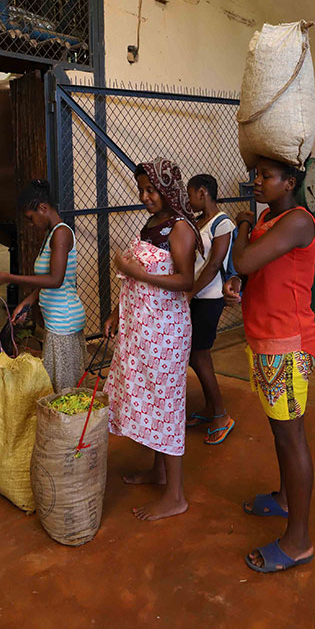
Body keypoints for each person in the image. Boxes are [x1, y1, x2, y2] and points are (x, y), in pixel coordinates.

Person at [223, 156, 315, 574]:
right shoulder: (266, 220)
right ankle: (283, 499)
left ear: (290, 182)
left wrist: (241, 225)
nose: (256, 182)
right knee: (279, 433)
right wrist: (238, 284)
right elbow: (243, 270)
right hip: (264, 341)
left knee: (291, 436)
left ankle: (298, 543)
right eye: (256, 174)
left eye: (265, 177)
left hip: (288, 346)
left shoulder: (297, 222)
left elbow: (242, 259)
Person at [104, 158, 202, 522]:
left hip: (165, 333)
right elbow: (134, 279)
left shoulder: (179, 228)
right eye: (142, 189)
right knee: (153, 402)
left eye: (151, 190)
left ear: (167, 188)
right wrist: (117, 311)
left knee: (167, 407)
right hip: (141, 330)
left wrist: (134, 272)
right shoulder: (151, 225)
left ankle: (175, 496)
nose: (145, 196)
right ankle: (159, 472)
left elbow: (185, 281)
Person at [0, 180, 87, 393]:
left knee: (66, 391)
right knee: (56, 388)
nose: (31, 224)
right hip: (55, 321)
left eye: (31, 218)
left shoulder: (62, 233)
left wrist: (8, 277)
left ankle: (73, 428)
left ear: (43, 208)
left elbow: (56, 280)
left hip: (64, 321)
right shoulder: (51, 234)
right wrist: (27, 302)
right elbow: (46, 283)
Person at [185, 174, 235, 444]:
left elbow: (214, 264)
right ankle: (210, 407)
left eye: (191, 194)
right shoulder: (198, 221)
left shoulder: (222, 222)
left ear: (202, 192)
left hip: (208, 297)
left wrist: (190, 292)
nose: (188, 199)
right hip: (195, 297)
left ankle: (221, 416)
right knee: (195, 355)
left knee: (199, 354)